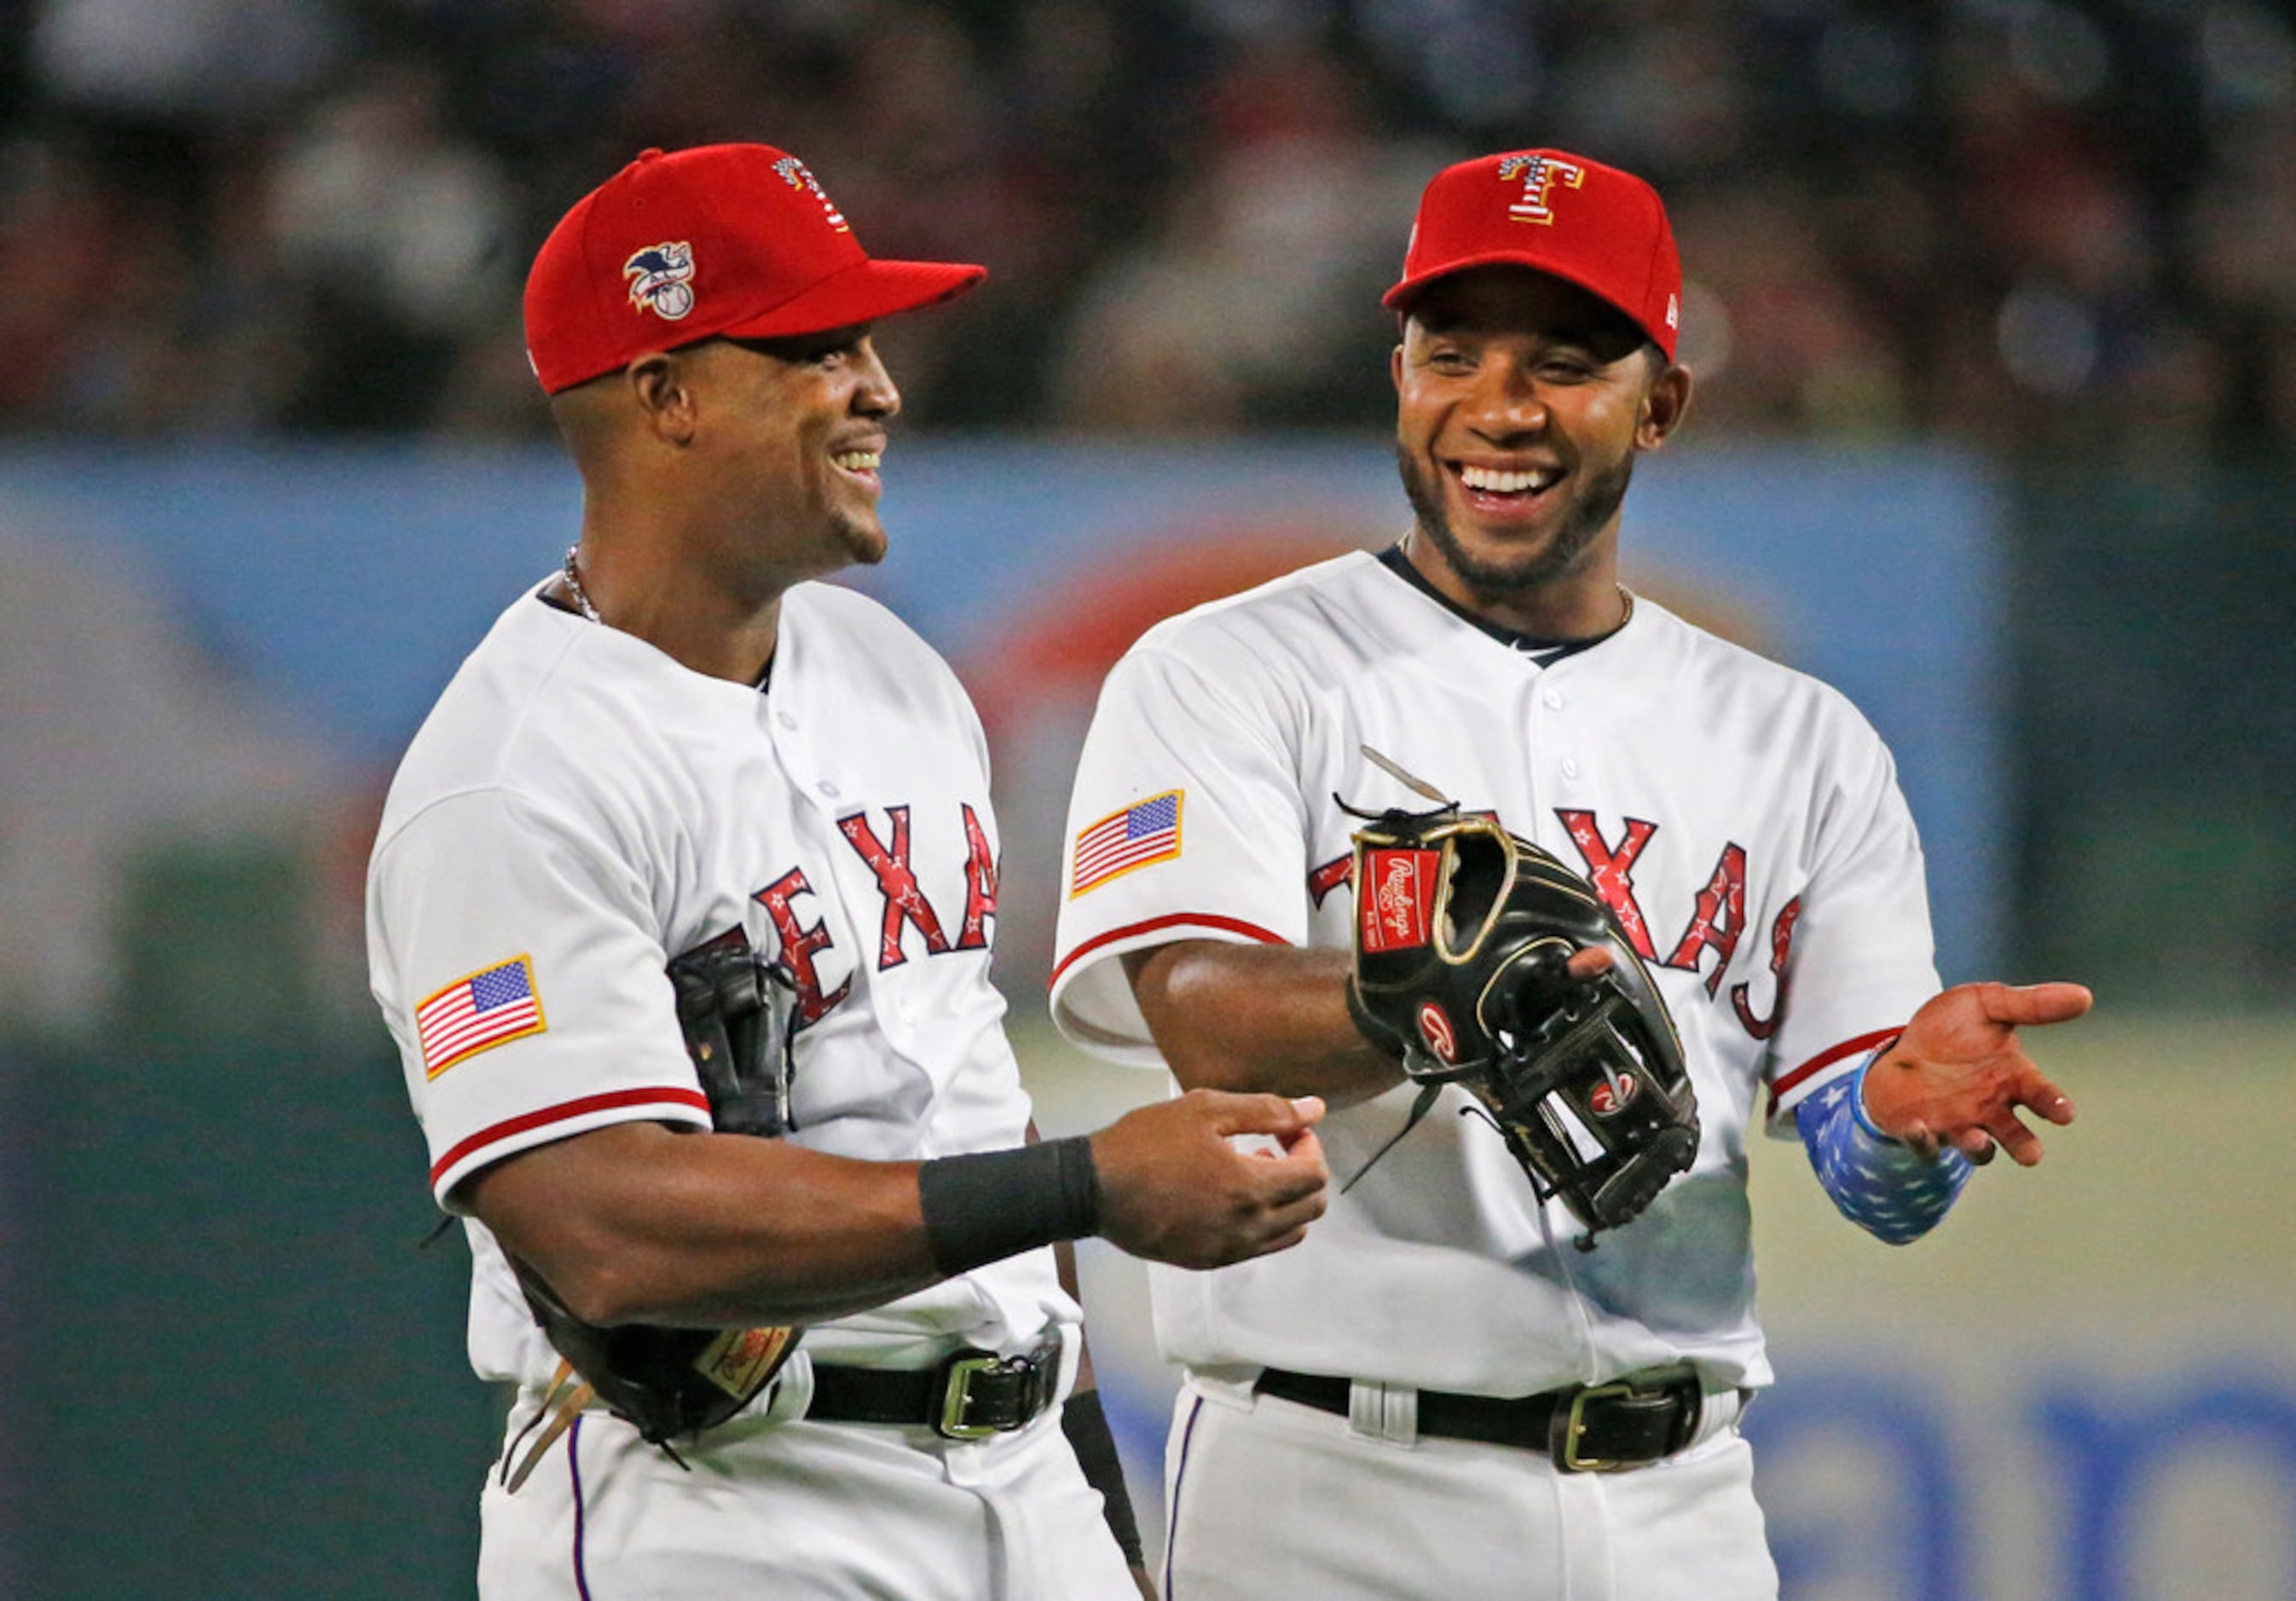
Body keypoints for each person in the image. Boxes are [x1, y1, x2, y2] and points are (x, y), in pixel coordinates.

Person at [1048, 147, 2091, 1598]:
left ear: (1658, 402)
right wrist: (1436, 994)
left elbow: (1874, 1176)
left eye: (1562, 362)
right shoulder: (1229, 669)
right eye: (1451, 351)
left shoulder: (1800, 740)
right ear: (1397, 372)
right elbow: (1202, 1020)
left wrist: (1906, 1123)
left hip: (1680, 1502)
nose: (1498, 407)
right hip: (1329, 1485)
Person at [363, 142, 1329, 1600]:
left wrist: (1098, 1526)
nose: (877, 385)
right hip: (724, 1506)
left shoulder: (894, 672)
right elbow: (597, 1223)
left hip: (1014, 1478)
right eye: (814, 347)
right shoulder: (512, 775)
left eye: (868, 342)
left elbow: (965, 1101)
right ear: (664, 394)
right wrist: (1088, 1184)